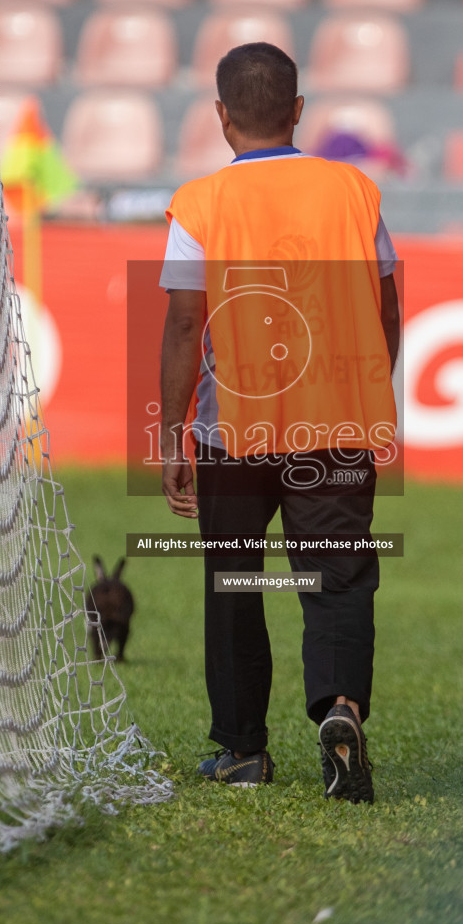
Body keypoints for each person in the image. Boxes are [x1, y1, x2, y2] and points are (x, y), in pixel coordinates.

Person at [157, 42, 400, 804]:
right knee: (338, 579)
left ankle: (241, 751)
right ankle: (339, 709)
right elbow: (387, 305)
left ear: (222, 117)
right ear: (298, 111)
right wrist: (362, 384)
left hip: (234, 428)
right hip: (337, 421)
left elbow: (183, 324)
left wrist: (171, 434)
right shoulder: (356, 190)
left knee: (234, 582)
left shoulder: (200, 202)